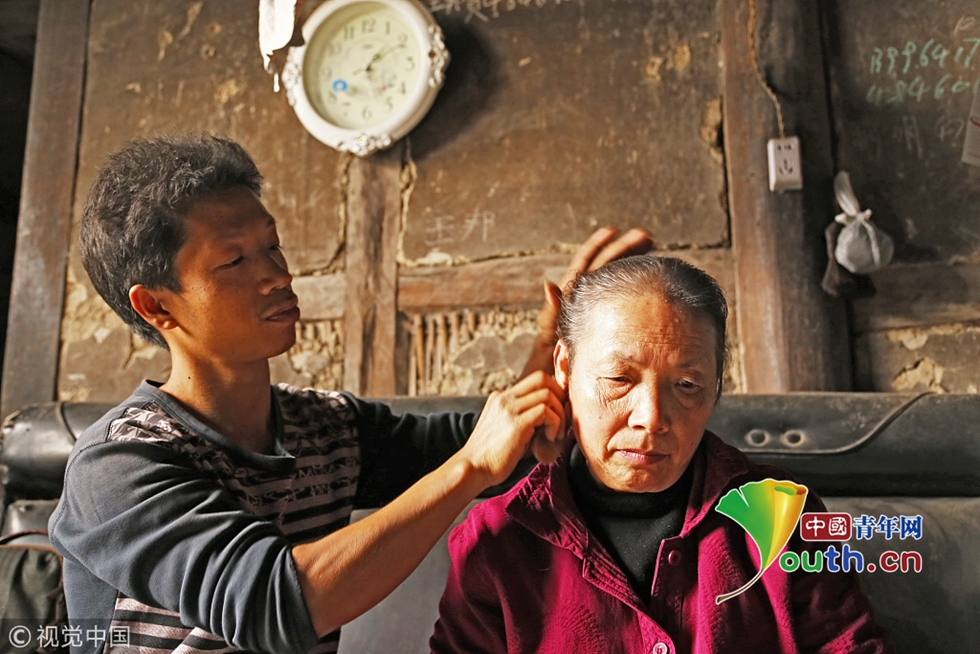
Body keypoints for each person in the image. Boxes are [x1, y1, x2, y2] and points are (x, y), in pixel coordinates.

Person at [47, 132, 653, 654]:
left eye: (272, 246)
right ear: (156, 306)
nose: (278, 275)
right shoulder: (117, 465)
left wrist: (556, 336)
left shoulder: (325, 428)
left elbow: (504, 447)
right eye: (233, 261)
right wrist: (469, 467)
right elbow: (274, 605)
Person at [430, 255, 895, 654]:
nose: (651, 418)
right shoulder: (498, 539)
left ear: (716, 387)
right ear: (565, 367)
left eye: (687, 385)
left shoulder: (782, 518)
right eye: (619, 379)